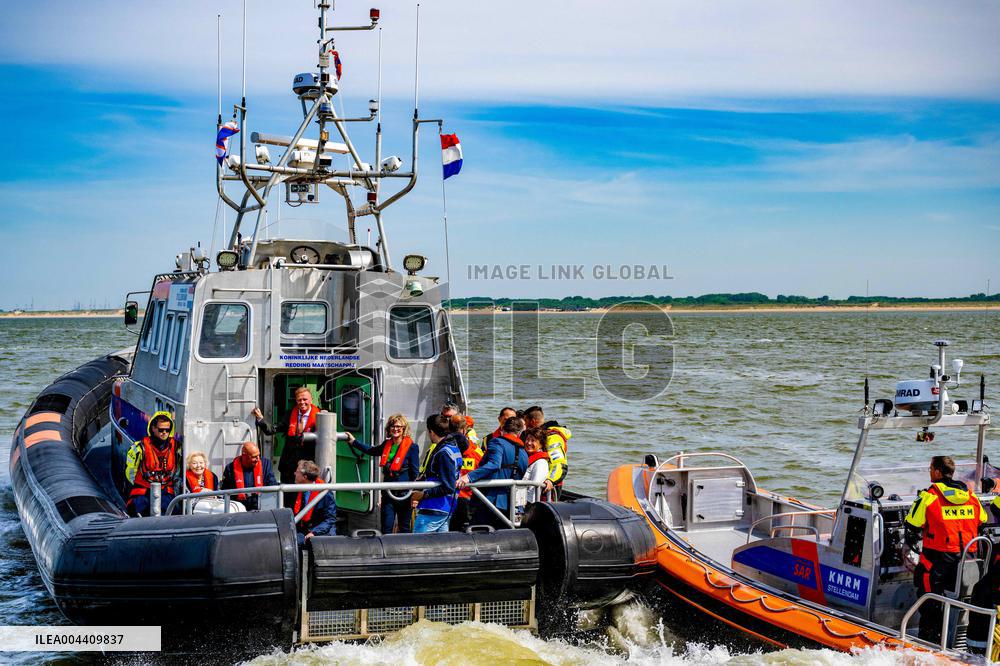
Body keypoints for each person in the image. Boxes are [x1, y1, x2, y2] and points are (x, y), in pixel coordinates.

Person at [904, 455, 987, 645]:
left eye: (931, 468)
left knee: (928, 598)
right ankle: (956, 640)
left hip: (937, 562)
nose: (929, 472)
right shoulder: (971, 496)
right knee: (961, 598)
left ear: (938, 472)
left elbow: (912, 523)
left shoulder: (929, 496)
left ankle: (929, 642)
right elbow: (981, 519)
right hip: (967, 561)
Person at [346, 414, 420, 534]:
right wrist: (354, 442)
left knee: (404, 528)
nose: (395, 429)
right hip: (388, 493)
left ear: (404, 429)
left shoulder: (412, 447)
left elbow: (415, 472)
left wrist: (416, 495)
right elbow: (371, 450)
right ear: (388, 429)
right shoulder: (387, 445)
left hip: (404, 494)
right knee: (386, 527)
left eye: (398, 427)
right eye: (392, 426)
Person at [457, 416, 528, 529]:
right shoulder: (524, 452)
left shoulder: (497, 442)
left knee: (478, 531)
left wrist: (468, 477)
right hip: (511, 503)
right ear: (519, 433)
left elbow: (494, 464)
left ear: (502, 429)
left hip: (489, 500)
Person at [253, 387, 320, 504]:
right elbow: (272, 430)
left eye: (305, 399)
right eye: (299, 400)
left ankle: (302, 521)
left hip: (306, 468)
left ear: (311, 400)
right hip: (288, 466)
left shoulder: (319, 416)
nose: (302, 402)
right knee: (287, 499)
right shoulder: (290, 414)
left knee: (304, 499)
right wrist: (260, 419)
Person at [410, 414, 462, 533]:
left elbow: (448, 486)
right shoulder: (453, 448)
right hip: (446, 507)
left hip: (435, 507)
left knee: (417, 544)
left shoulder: (443, 453)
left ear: (431, 432)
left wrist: (423, 495)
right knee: (441, 545)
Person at [126, 412, 181, 517]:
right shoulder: (139, 448)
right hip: (143, 490)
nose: (164, 432)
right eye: (161, 430)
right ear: (153, 428)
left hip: (166, 490)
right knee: (135, 508)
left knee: (171, 509)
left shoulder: (177, 447)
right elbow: (130, 472)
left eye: (167, 430)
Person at [523, 406, 571, 500]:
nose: (525, 428)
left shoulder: (552, 437)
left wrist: (551, 480)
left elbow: (559, 464)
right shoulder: (542, 434)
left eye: (526, 423)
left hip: (550, 486)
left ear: (532, 421)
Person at [449, 413, 484, 532]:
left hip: (454, 499)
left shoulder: (441, 448)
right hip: (466, 499)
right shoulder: (477, 453)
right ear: (465, 430)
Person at [221, 442, 278, 511]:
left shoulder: (265, 464)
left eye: (259, 455)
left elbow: (272, 485)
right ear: (244, 456)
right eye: (254, 457)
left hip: (260, 507)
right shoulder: (230, 468)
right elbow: (225, 492)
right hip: (239, 509)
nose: (258, 458)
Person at [292, 460, 336, 545]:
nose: (294, 473)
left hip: (322, 532)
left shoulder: (325, 493)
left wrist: (314, 532)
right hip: (304, 530)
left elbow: (330, 519)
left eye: (297, 472)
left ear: (304, 477)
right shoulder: (297, 490)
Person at [520, 428, 551, 508]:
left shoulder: (541, 463)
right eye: (527, 440)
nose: (529, 443)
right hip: (517, 499)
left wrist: (527, 507)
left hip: (526, 504)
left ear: (541, 444)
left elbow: (534, 487)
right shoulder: (524, 457)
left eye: (533, 440)